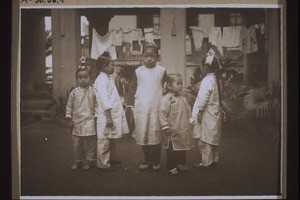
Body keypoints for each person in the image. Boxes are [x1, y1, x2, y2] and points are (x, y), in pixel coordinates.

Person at [125, 43, 168, 171]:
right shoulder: (138, 72)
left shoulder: (161, 71)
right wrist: (129, 104)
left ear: (157, 57)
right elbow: (132, 89)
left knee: (155, 132)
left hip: (156, 107)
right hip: (142, 108)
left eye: (152, 56)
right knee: (144, 133)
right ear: (142, 56)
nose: (149, 58)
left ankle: (155, 161)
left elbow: (167, 88)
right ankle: (147, 159)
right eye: (146, 56)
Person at [94, 51, 129, 172]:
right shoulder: (101, 80)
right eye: (112, 65)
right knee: (104, 139)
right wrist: (108, 116)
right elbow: (103, 99)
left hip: (112, 113)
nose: (113, 67)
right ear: (104, 67)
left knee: (111, 138)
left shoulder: (108, 78)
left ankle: (111, 158)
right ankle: (103, 163)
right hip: (106, 115)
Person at [190, 49, 222, 170]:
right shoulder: (216, 80)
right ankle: (214, 160)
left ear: (206, 67)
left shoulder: (207, 80)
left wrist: (200, 112)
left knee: (206, 139)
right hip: (215, 113)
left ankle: (206, 163)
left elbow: (203, 98)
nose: (201, 69)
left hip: (207, 113)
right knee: (214, 138)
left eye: (201, 66)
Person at [158, 74, 193, 176]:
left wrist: (190, 119)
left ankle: (180, 163)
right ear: (169, 86)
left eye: (181, 83)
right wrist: (165, 126)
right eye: (178, 83)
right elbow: (162, 113)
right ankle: (171, 166)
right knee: (172, 149)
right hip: (172, 129)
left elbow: (187, 109)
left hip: (182, 128)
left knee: (182, 146)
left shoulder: (183, 98)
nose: (180, 86)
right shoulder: (166, 100)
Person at [65, 63, 97, 171]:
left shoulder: (93, 91)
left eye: (86, 77)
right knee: (77, 143)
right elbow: (69, 106)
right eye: (80, 77)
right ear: (77, 79)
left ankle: (90, 161)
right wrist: (69, 118)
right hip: (77, 122)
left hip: (90, 121)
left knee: (90, 143)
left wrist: (96, 118)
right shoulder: (74, 92)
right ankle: (78, 161)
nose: (83, 80)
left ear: (90, 78)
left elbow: (97, 106)